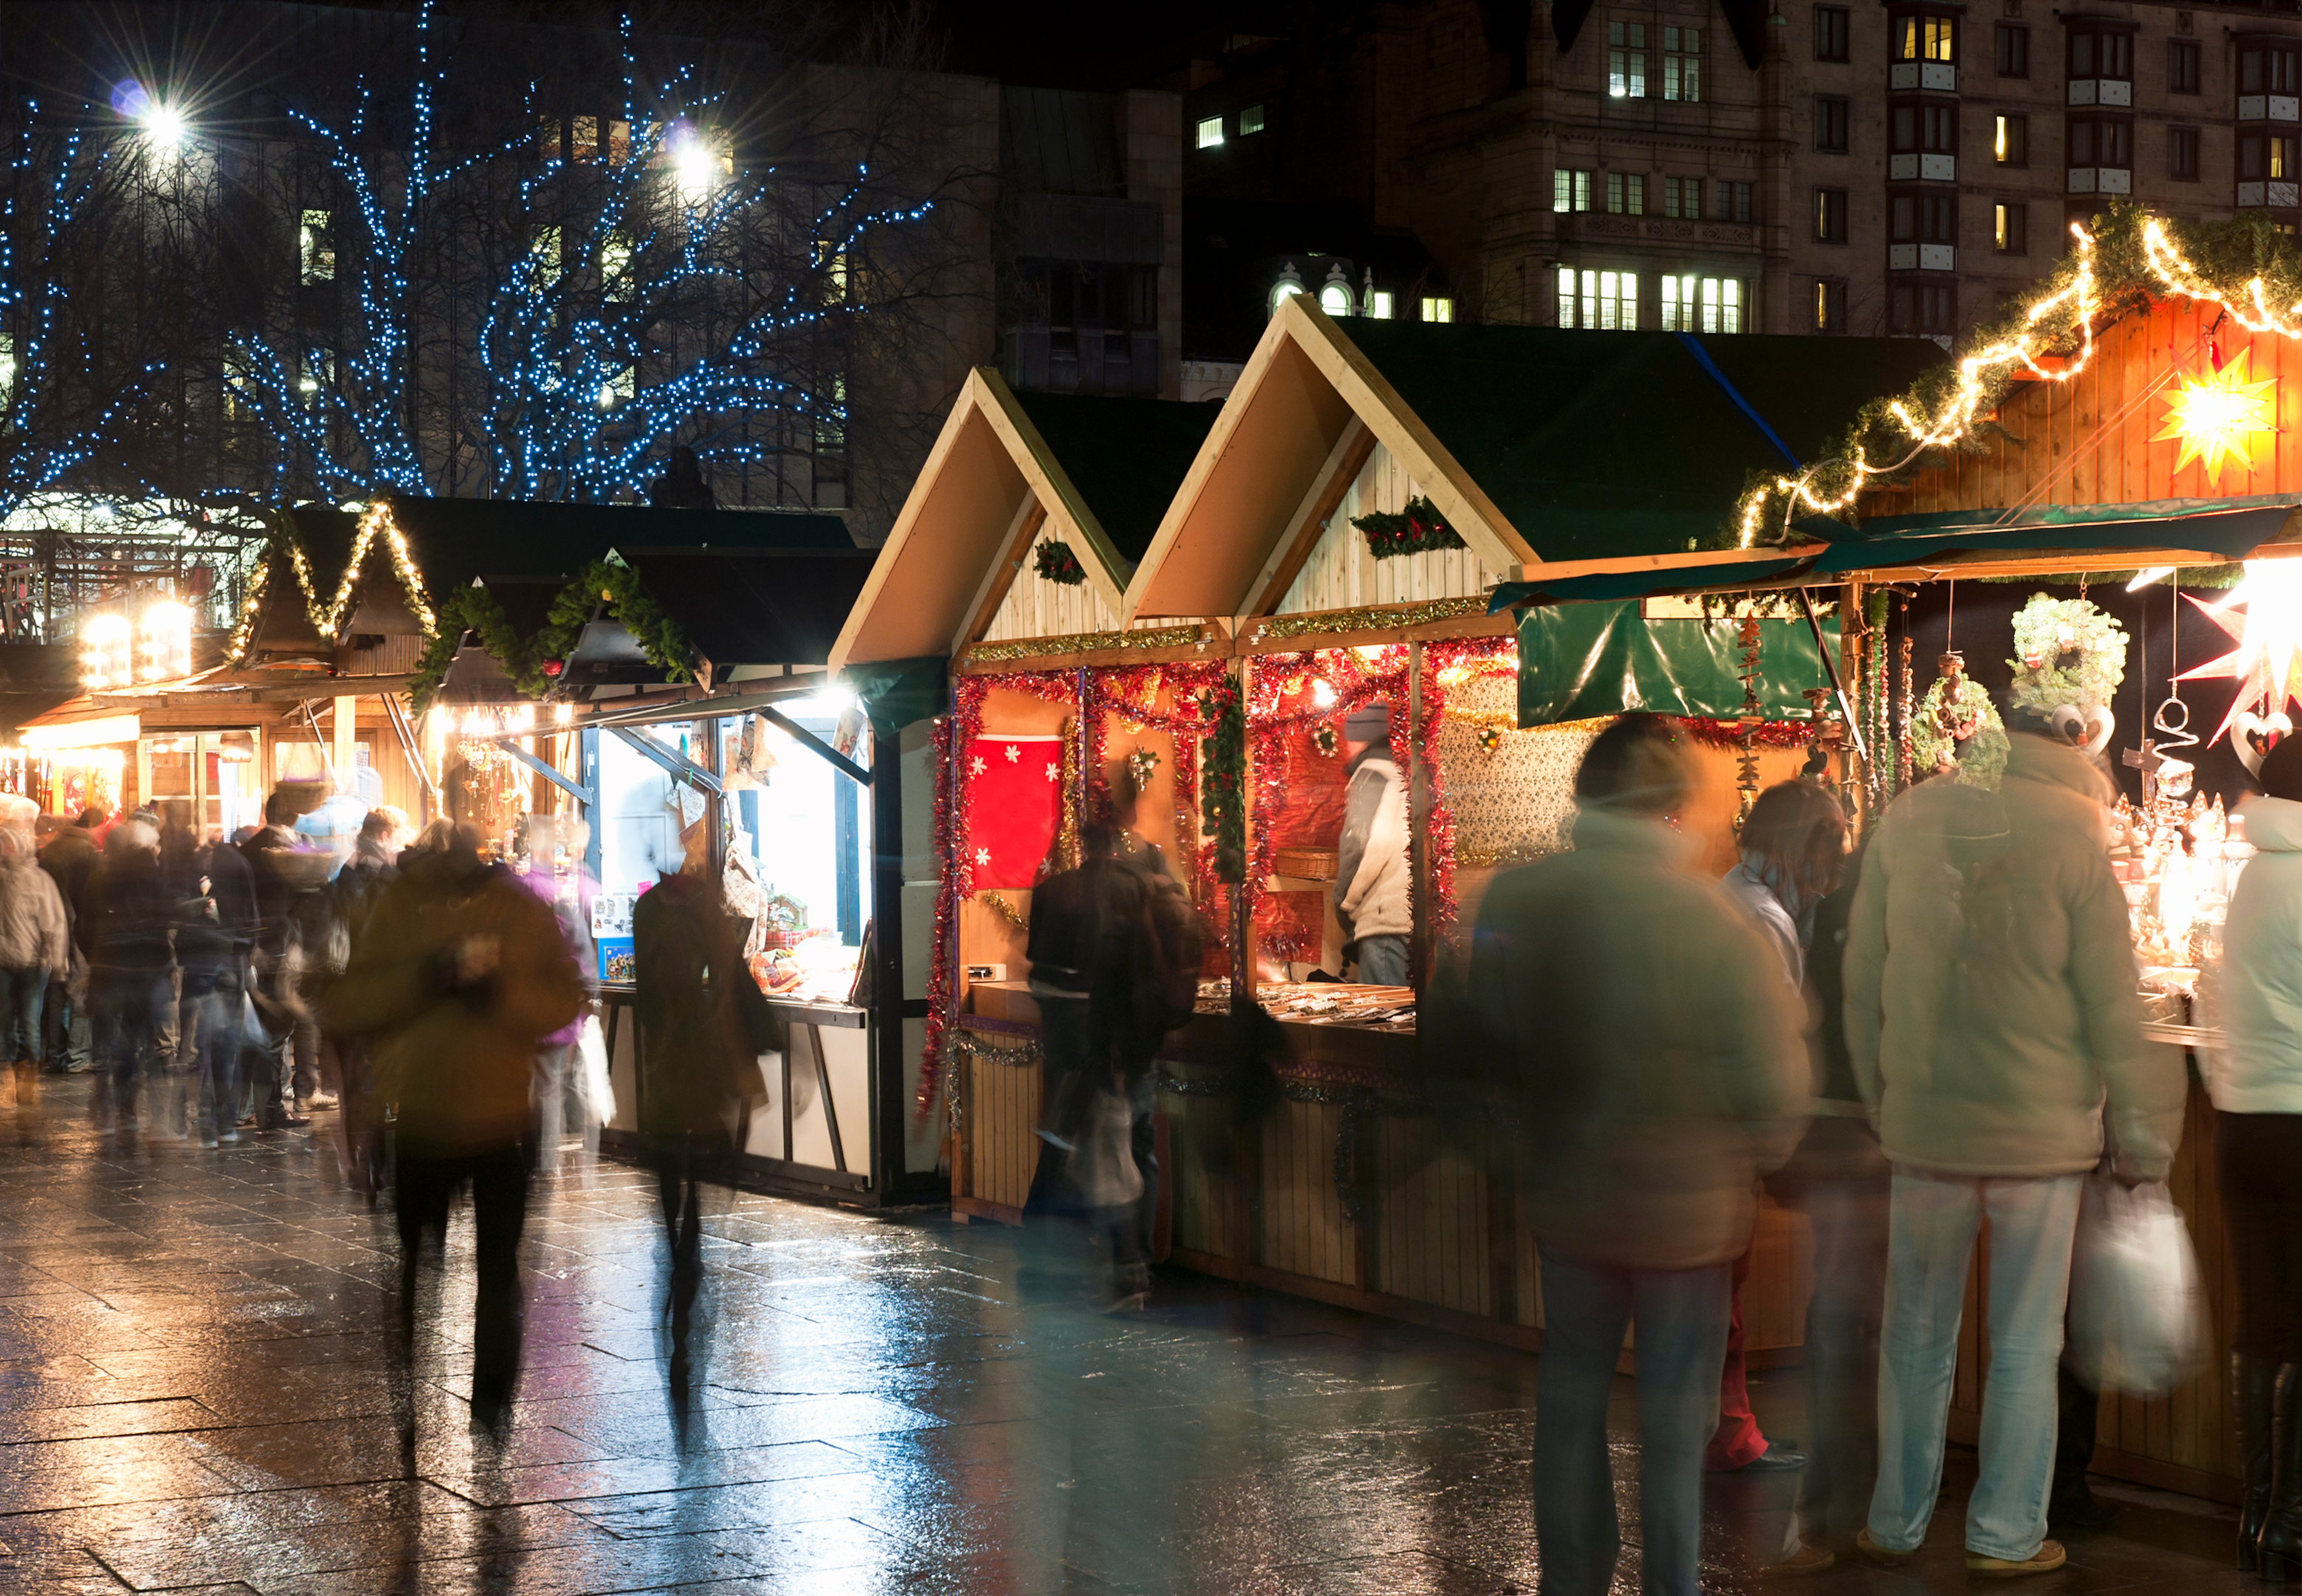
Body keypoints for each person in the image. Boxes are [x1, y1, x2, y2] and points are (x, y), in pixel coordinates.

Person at [1445, 713, 1808, 1596]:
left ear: (1586, 796)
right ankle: (1668, 1583)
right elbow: (1772, 1083)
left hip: (1570, 1193)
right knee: (1674, 1422)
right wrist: (1756, 1151)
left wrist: (1504, 1155)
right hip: (1687, 1216)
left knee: (1570, 1398)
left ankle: (1572, 1578)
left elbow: (1478, 1039)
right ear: (1671, 805)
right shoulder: (1712, 921)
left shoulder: (1517, 900)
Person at [1845, 721, 2184, 1578]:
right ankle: (2004, 1534)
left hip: (1924, 1122)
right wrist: (2145, 1130)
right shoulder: (2074, 833)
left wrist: (1879, 1095)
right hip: (2041, 1129)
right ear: (2071, 751)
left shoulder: (1910, 818)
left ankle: (1894, 1522)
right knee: (2027, 1342)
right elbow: (2112, 999)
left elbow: (1860, 975)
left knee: (1914, 1333)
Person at [321, 819, 582, 1439]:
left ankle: (489, 1404)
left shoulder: (517, 907)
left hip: (497, 1119)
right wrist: (428, 977)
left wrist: (497, 993)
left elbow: (563, 1000)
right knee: (417, 1265)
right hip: (422, 1114)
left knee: (494, 1271)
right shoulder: (402, 905)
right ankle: (411, 1394)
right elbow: (353, 1000)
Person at [1708, 781, 1849, 1486]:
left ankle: (1728, 1430)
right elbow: (1773, 1032)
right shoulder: (1764, 917)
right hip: (1729, 1127)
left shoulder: (1738, 891)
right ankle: (1728, 1434)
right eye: (1831, 844)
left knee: (1716, 1292)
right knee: (1719, 1291)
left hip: (1715, 1121)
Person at [2206, 734, 2302, 1575]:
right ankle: (2292, 1524)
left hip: (2242, 1123)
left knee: (2262, 1321)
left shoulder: (2252, 876)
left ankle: (2253, 1516)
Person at [632, 819, 772, 1363]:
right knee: (701, 1158)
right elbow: (730, 979)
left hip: (667, 1053)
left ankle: (678, 1242)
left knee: (669, 1155)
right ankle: (688, 1245)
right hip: (699, 1052)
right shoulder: (705, 910)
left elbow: (648, 988)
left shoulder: (648, 910)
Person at [83, 818, 176, 1133]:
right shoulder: (152, 877)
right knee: (136, 1038)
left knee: (108, 1039)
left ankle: (107, 1102)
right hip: (142, 973)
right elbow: (162, 923)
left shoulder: (99, 880)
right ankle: (128, 1107)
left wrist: (94, 954)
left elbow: (83, 925)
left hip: (108, 968)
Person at [1334, 702, 1410, 987]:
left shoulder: (1372, 774)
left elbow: (1363, 844)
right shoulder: (1400, 771)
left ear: (1356, 739)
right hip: (1408, 920)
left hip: (1385, 926)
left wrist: (1344, 902)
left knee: (1384, 1024)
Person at [0, 828, 69, 1078]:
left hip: (33, 962)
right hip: (3, 960)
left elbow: (53, 923)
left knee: (30, 1021)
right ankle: (9, 1071)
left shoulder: (38, 880)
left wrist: (54, 962)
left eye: (6, 843)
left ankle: (28, 1069)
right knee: (5, 1021)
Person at [39, 808, 103, 1073]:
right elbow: (89, 897)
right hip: (75, 928)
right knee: (79, 991)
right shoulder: (85, 852)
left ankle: (54, 1055)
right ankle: (78, 1056)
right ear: (93, 826)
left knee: (56, 990)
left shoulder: (52, 848)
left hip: (49, 928)